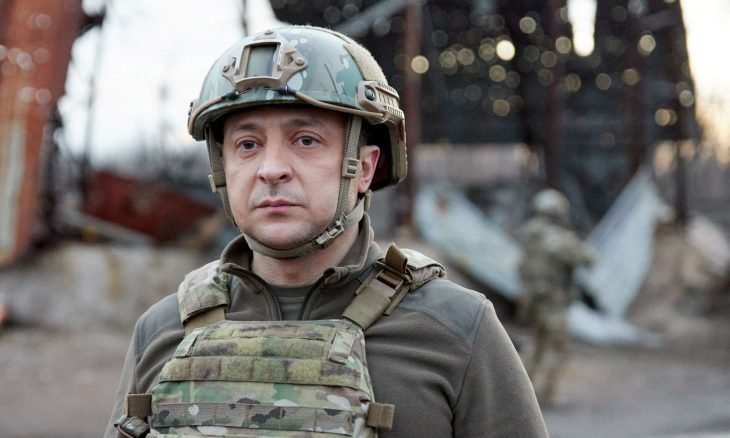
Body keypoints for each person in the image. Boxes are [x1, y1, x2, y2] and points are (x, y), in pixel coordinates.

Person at [105, 25, 547, 437]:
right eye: (247, 145)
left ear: (364, 168)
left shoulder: (456, 329)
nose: (271, 169)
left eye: (306, 140)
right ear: (223, 170)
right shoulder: (162, 330)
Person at [517, 188, 596, 404]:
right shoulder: (558, 238)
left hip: (532, 300)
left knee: (536, 346)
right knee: (559, 348)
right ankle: (549, 393)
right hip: (553, 302)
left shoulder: (529, 234)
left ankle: (520, 392)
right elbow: (588, 259)